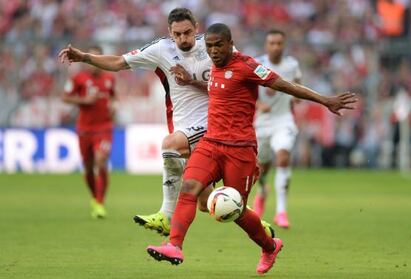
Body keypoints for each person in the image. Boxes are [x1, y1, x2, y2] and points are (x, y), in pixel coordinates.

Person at [146, 23, 356, 274]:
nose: (213, 51)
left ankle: (270, 246)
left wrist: (325, 100)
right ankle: (174, 245)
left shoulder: (247, 66)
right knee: (189, 187)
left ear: (230, 43)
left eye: (218, 45)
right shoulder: (214, 67)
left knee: (236, 210)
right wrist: (192, 81)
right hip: (211, 143)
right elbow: (217, 90)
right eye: (209, 46)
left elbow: (285, 85)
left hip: (240, 149)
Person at [58, 8, 274, 236]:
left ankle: (165, 216)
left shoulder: (215, 46)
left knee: (170, 145)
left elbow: (238, 81)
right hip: (183, 124)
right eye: (178, 34)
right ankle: (253, 221)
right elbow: (119, 62)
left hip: (214, 124)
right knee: (205, 203)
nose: (183, 38)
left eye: (188, 32)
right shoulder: (160, 50)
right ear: (170, 33)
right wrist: (84, 57)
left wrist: (193, 82)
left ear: (196, 28)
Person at [252, 29, 301, 228]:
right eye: (272, 43)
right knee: (261, 168)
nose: (275, 47)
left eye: (279, 43)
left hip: (283, 120)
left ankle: (281, 211)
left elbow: (298, 84)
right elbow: (246, 90)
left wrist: (298, 96)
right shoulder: (257, 64)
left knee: (283, 157)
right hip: (262, 122)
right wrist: (257, 105)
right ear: (266, 45)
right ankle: (263, 191)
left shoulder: (291, 65)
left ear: (284, 45)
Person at [61, 45, 116, 219]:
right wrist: (84, 100)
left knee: (101, 162)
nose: (95, 63)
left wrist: (114, 105)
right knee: (88, 167)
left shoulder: (109, 78)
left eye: (98, 58)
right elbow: (65, 96)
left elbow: (113, 96)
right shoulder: (78, 78)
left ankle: (100, 202)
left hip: (104, 127)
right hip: (85, 129)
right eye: (92, 59)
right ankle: (94, 197)